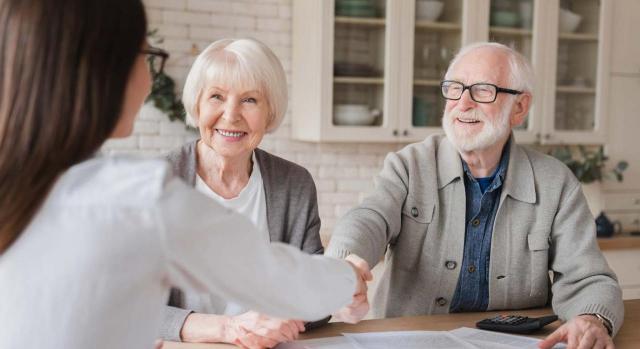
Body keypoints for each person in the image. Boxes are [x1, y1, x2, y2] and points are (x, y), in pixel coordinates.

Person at [0, 1, 370, 348]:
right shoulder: (139, 197)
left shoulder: (25, 184)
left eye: (250, 100)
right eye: (146, 56)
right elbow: (268, 275)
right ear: (105, 71)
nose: (148, 79)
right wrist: (347, 277)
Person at [325, 42, 623, 349]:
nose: (463, 103)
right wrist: (342, 265)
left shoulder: (556, 182)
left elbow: (588, 277)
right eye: (454, 88)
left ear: (519, 107)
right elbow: (368, 219)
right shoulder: (410, 165)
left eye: (482, 90)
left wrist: (591, 318)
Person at [161, 38, 327, 347]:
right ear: (197, 104)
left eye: (250, 100)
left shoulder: (294, 184)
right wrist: (228, 328)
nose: (231, 114)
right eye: (216, 97)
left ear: (270, 111)